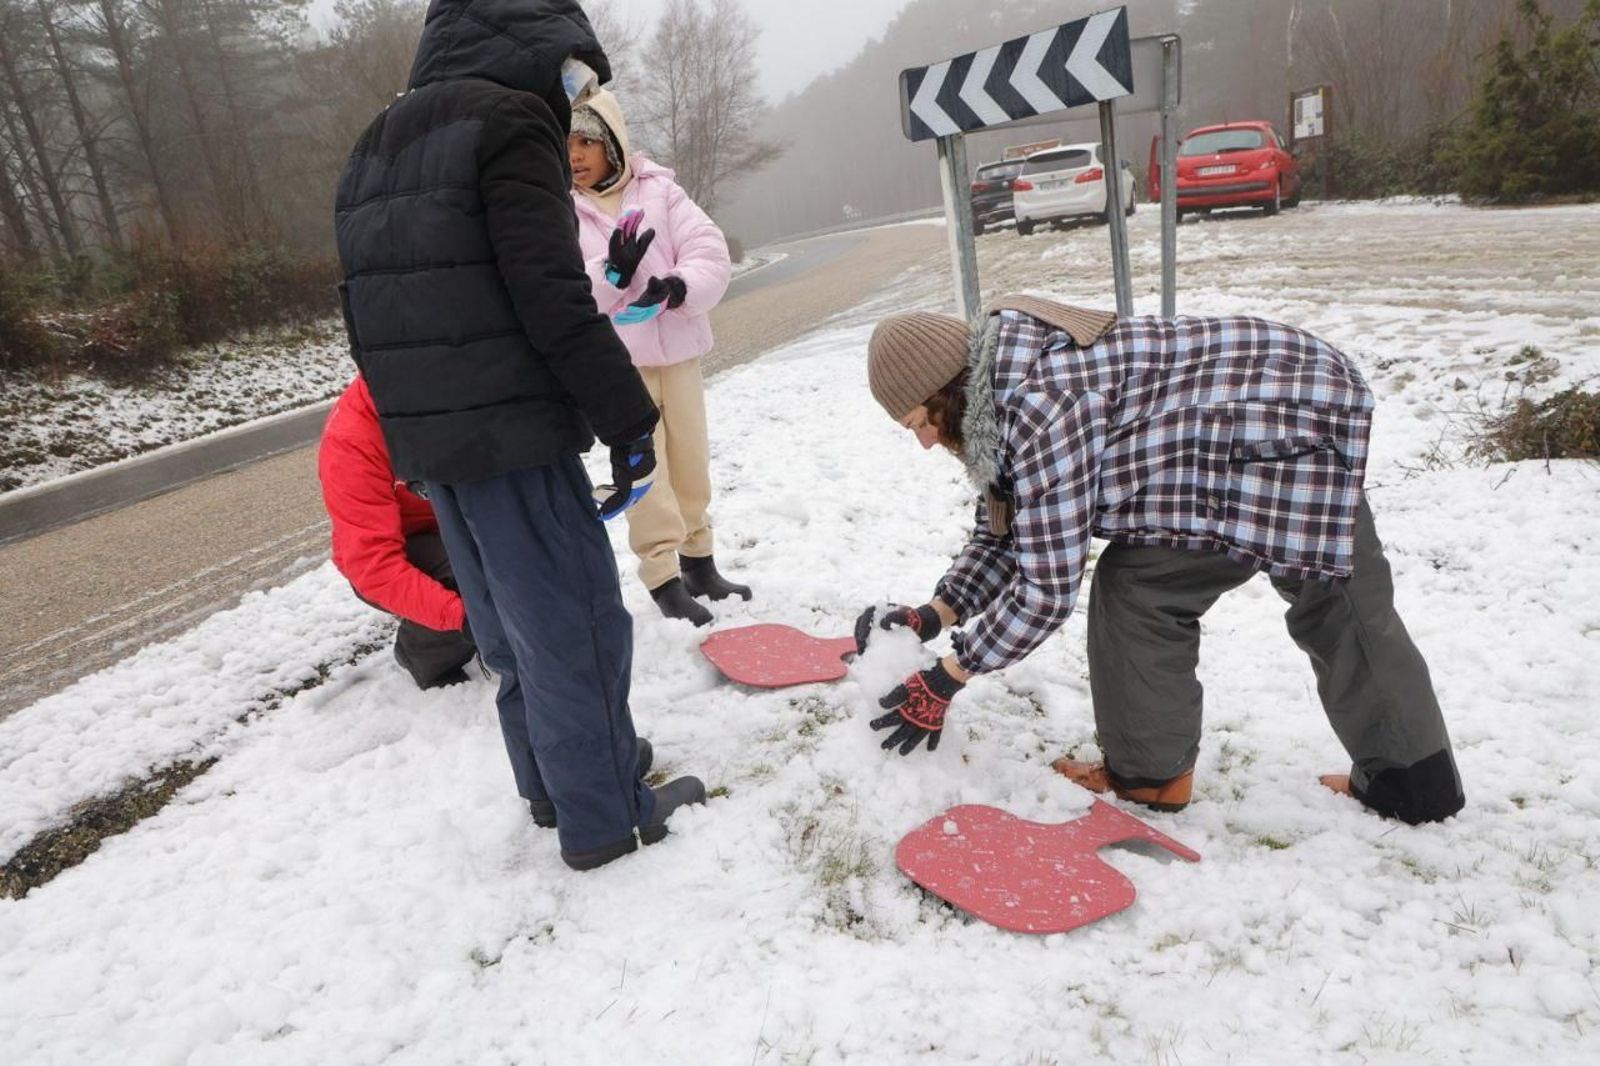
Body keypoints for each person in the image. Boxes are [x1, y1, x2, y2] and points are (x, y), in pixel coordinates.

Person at [856, 295, 1465, 826]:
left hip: (1278, 416)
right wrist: (933, 615)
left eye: (920, 422)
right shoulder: (1001, 391)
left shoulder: (1041, 404)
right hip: (1281, 399)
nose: (926, 441)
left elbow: (1046, 588)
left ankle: (1155, 778)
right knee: (1334, 594)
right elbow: (1007, 531)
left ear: (948, 391)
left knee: (1146, 588)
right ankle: (1414, 784)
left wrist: (948, 677)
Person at [333, 0, 704, 871]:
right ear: (541, 45)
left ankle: (554, 782)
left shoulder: (380, 138)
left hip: (435, 444)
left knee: (509, 633)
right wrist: (628, 418)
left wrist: (413, 436)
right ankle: (609, 816)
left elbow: (362, 307)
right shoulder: (507, 124)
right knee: (574, 625)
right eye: (572, 73)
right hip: (513, 431)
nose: (570, 95)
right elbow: (552, 295)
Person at [568, 88, 749, 627]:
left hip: (679, 353)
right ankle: (662, 576)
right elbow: (565, 295)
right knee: (647, 471)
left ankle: (700, 560)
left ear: (612, 145)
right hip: (620, 366)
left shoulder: (661, 192)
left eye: (585, 141)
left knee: (691, 459)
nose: (574, 155)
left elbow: (708, 251)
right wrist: (614, 274)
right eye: (567, 144)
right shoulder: (560, 210)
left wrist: (675, 287)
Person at [318, 375, 476, 689]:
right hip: (404, 547)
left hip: (460, 525)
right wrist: (465, 619)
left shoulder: (462, 390)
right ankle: (426, 657)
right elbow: (375, 566)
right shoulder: (352, 443)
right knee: (468, 579)